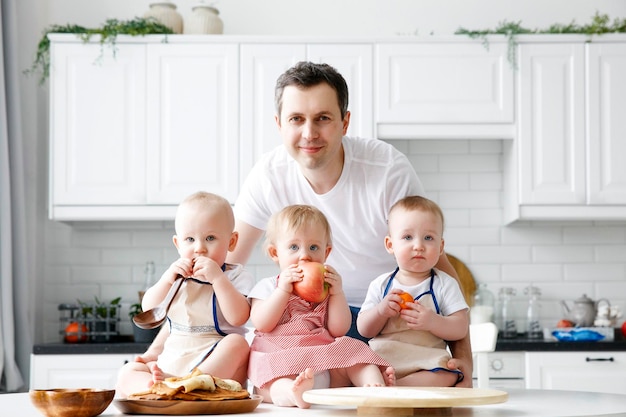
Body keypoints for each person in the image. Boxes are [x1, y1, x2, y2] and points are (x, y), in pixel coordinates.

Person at [226, 60, 473, 386]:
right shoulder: (268, 175)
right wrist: (174, 339)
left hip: (385, 319)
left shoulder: (386, 169)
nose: (309, 133)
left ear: (345, 122)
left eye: (323, 118)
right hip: (305, 324)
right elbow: (225, 267)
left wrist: (466, 362)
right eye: (296, 119)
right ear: (279, 124)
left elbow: (434, 265)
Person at [247, 205, 394, 408]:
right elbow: (262, 323)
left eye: (313, 247)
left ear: (326, 252)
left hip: (321, 358)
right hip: (281, 359)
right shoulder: (268, 286)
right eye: (293, 247)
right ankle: (291, 393)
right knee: (269, 383)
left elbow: (338, 329)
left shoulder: (325, 288)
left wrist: (337, 293)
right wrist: (283, 291)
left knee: (354, 349)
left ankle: (371, 386)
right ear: (275, 253)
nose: (304, 255)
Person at [115, 191, 253, 398]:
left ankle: (193, 386)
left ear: (232, 242)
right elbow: (149, 309)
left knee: (238, 343)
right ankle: (167, 390)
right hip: (174, 360)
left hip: (214, 364)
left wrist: (218, 279)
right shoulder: (175, 277)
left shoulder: (235, 277)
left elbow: (238, 317)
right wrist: (166, 280)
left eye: (210, 238)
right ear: (178, 244)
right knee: (128, 372)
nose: (200, 248)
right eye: (190, 239)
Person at [357, 196, 469, 387]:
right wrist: (380, 311)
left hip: (426, 360)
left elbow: (461, 327)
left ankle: (398, 386)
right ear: (390, 245)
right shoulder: (381, 285)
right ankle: (382, 382)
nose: (418, 245)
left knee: (449, 375)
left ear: (441, 247)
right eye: (408, 237)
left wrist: (433, 321)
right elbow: (364, 329)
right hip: (385, 357)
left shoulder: (445, 284)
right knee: (359, 366)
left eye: (428, 238)